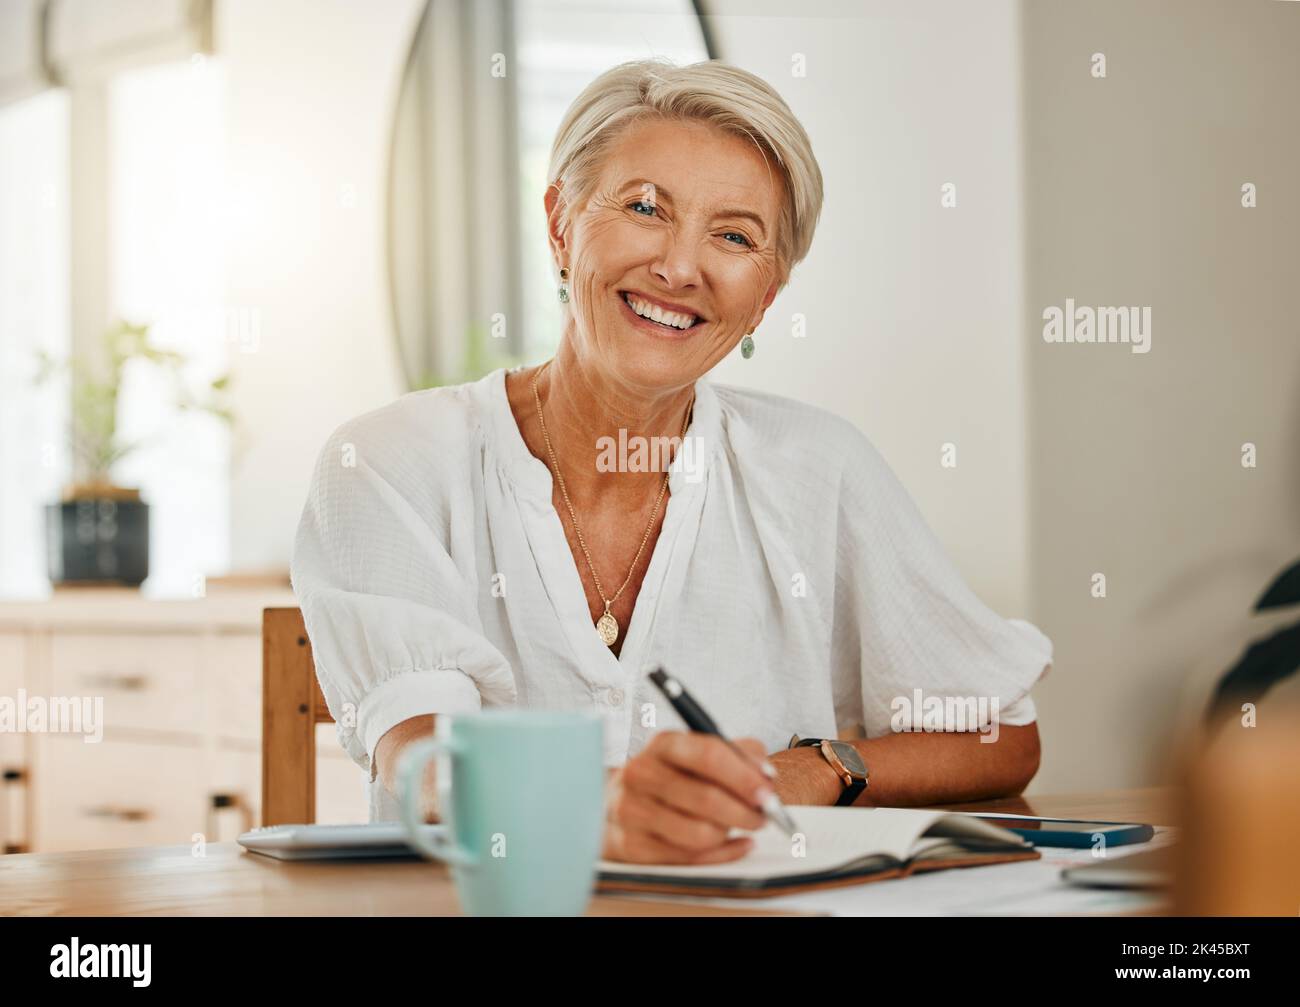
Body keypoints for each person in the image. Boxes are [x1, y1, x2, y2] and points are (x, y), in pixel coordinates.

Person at [290, 58, 1052, 865]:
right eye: (646, 208)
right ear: (560, 224)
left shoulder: (819, 468)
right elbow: (425, 766)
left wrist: (821, 767)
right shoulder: (384, 462)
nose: (680, 267)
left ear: (766, 296)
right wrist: (601, 806)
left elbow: (999, 729)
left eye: (733, 236)